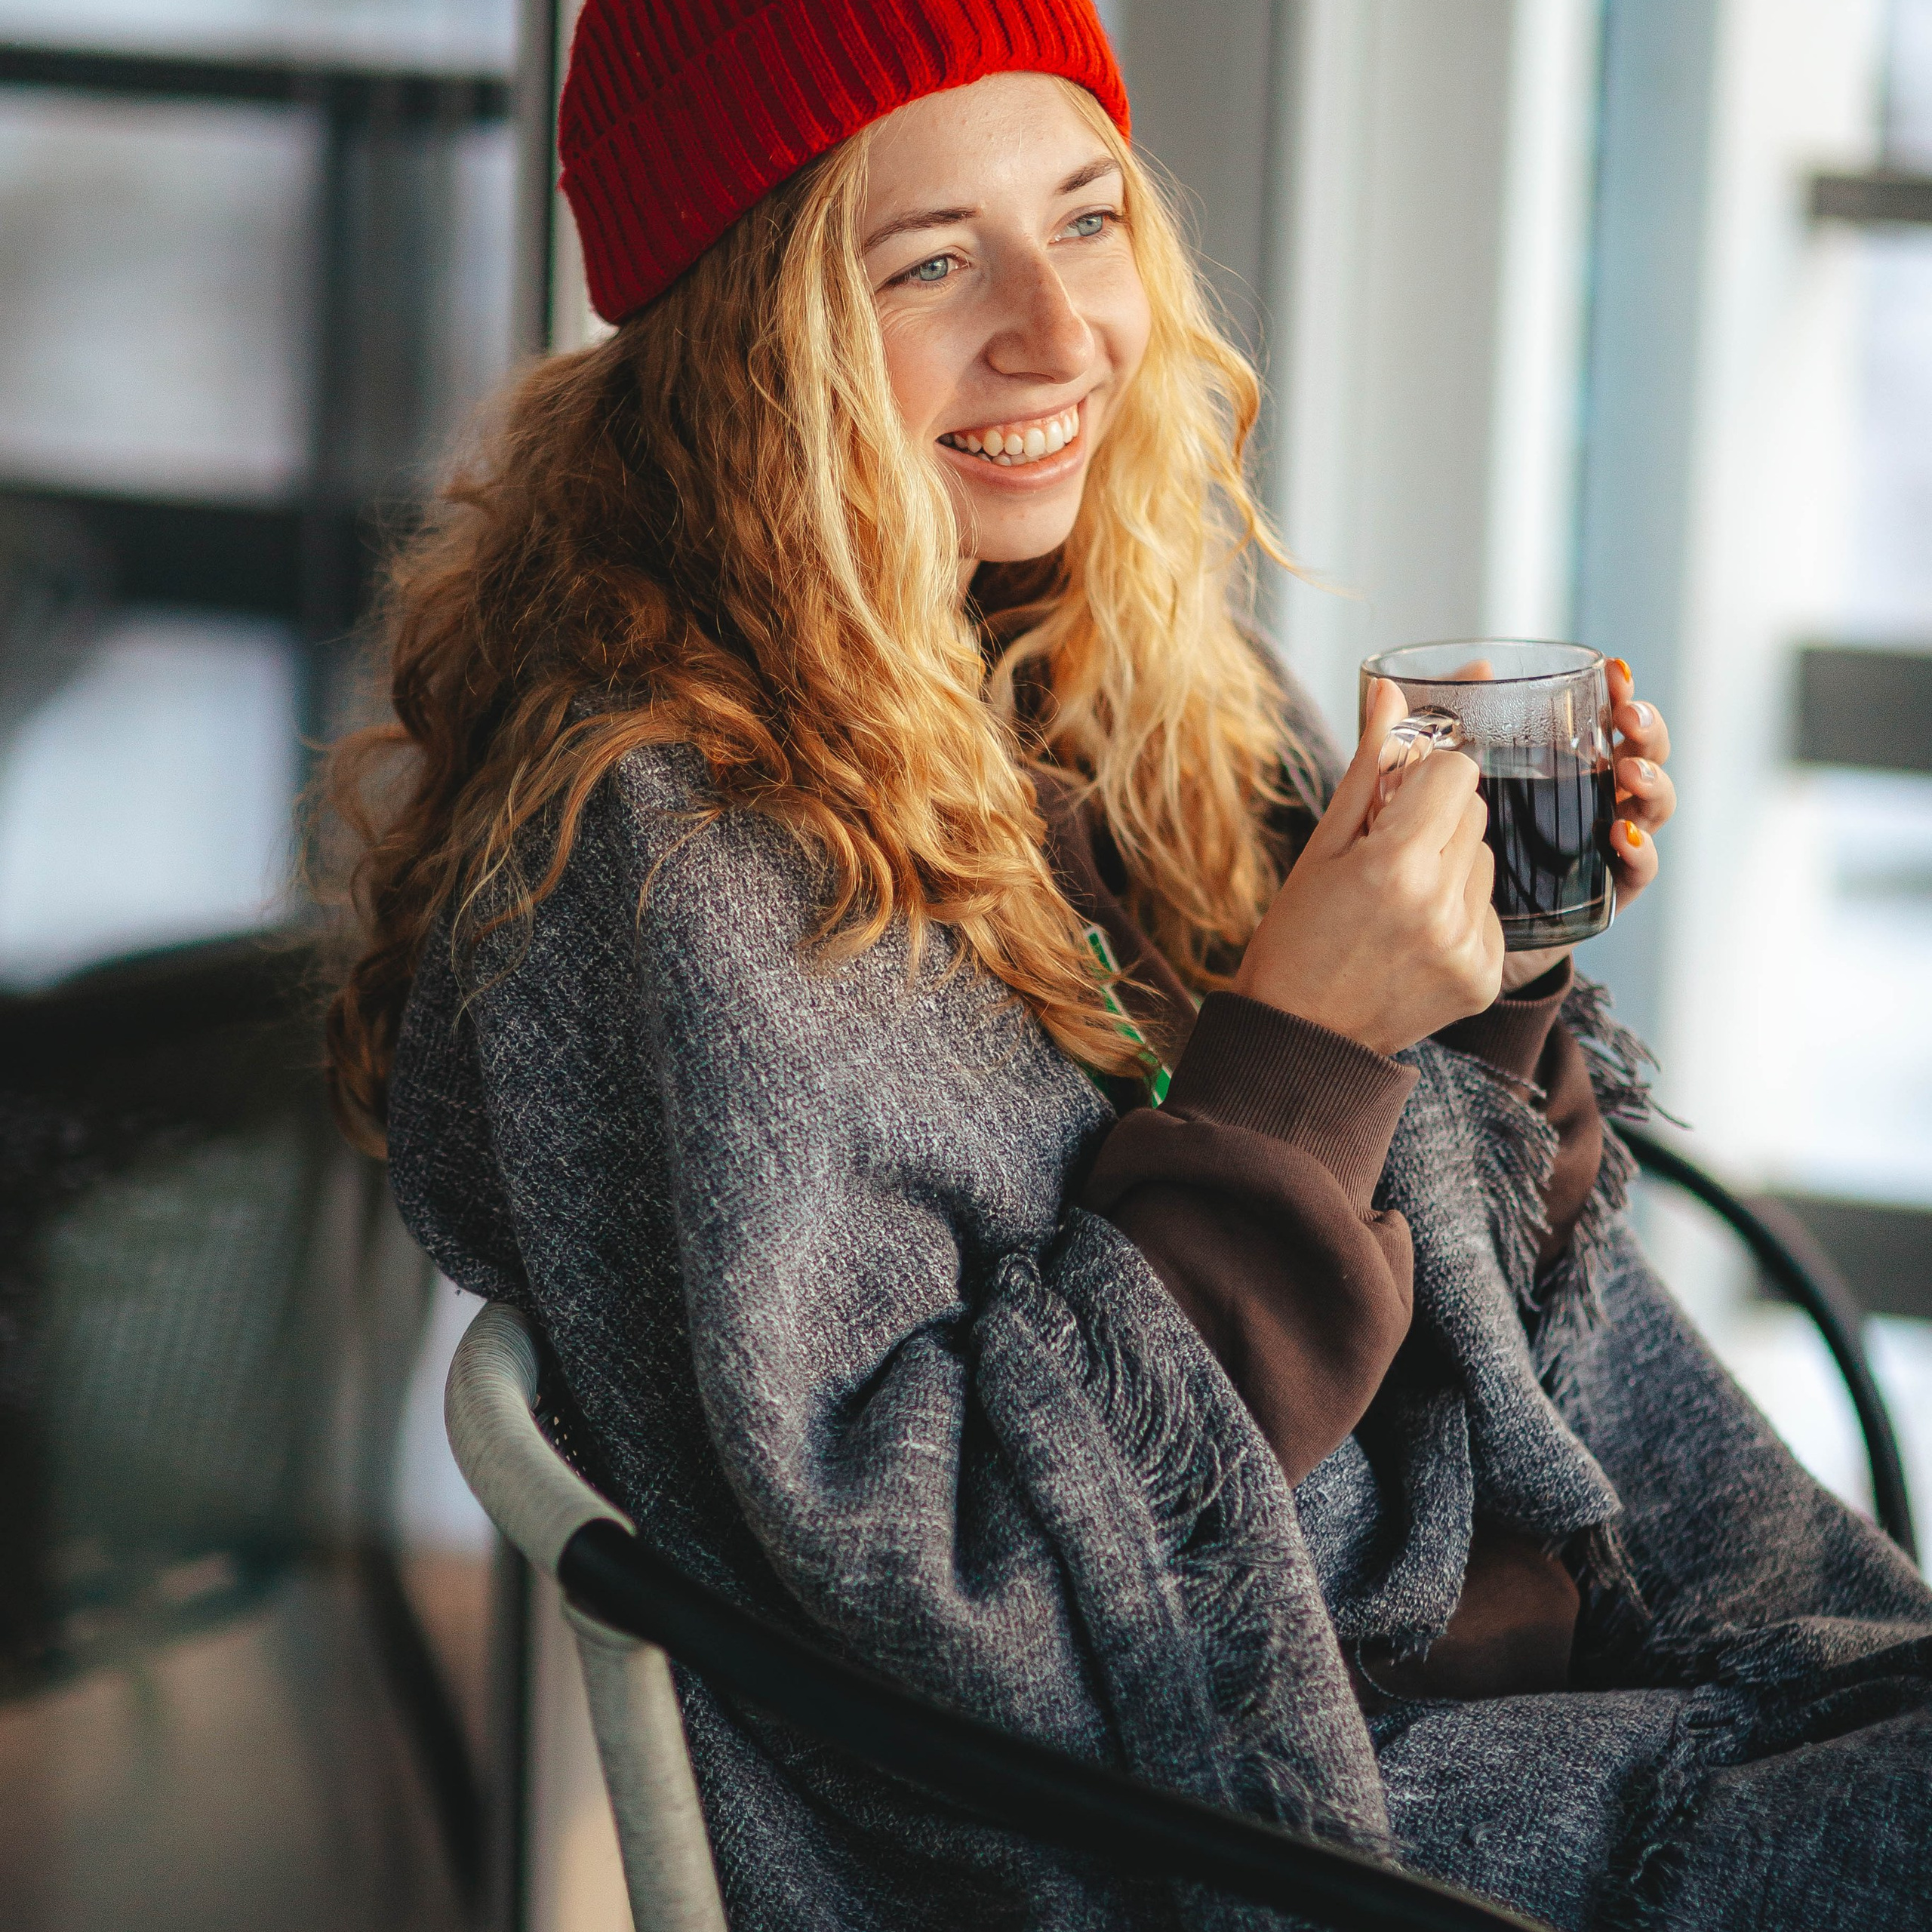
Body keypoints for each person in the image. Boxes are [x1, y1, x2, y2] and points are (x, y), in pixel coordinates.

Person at [321, 3, 1932, 1926]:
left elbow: (1456, 1291)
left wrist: (1471, 1000)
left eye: (1085, 220)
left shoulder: (1127, 691)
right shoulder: (667, 862)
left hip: (1552, 1686)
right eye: (930, 261)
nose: (1060, 330)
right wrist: (1303, 1051)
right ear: (754, 336)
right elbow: (959, 1591)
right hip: (1297, 1821)